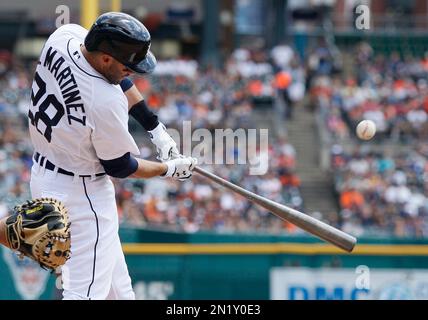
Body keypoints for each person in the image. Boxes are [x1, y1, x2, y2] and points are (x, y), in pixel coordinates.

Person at [1, 11, 197, 300]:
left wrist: (155, 128)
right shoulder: (104, 101)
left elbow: (118, 77)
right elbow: (120, 166)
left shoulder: (63, 37)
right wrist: (167, 169)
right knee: (83, 295)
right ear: (106, 57)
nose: (132, 72)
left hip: (45, 174)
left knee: (119, 292)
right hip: (82, 196)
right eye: (128, 65)